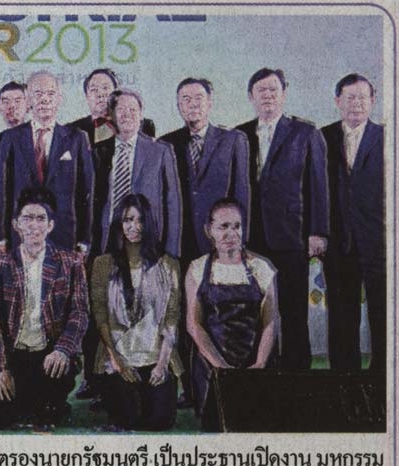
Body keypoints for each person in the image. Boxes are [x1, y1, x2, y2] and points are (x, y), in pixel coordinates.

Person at [160, 77, 250, 409]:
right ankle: (190, 389)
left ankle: (225, 384)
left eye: (198, 98)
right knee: (186, 315)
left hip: (222, 247)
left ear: (210, 102)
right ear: (178, 105)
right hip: (182, 245)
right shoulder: (167, 143)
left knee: (222, 316)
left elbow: (242, 194)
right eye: (185, 99)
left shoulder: (233, 140)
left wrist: (237, 243)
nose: (192, 104)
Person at [236, 68, 328, 370]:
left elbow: (318, 185)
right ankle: (262, 376)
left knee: (292, 310)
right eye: (261, 90)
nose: (267, 95)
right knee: (256, 311)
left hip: (291, 236)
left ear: (284, 94)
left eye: (273, 90)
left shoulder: (305, 133)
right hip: (251, 238)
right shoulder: (239, 135)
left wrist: (317, 231)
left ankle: (297, 379)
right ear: (251, 96)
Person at [0, 189, 89, 429]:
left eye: (41, 219)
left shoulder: (70, 262)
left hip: (49, 354)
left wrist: (62, 350)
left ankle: (50, 401)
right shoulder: (1, 264)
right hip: (15, 354)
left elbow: (80, 313)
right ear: (16, 225)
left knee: (47, 416)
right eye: (27, 218)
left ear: (50, 226)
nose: (33, 225)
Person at [90, 194, 182, 430]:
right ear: (119, 224)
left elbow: (172, 318)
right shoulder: (102, 264)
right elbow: (100, 317)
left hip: (156, 357)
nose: (135, 227)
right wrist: (118, 362)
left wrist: (162, 364)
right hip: (119, 358)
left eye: (141, 220)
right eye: (128, 220)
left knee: (159, 421)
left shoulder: (168, 265)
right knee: (127, 419)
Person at [185, 198, 279, 428]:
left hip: (253, 363)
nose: (231, 234)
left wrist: (259, 364)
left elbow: (270, 322)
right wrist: (221, 368)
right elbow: (194, 325)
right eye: (223, 227)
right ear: (209, 231)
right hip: (212, 367)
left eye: (236, 226)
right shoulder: (197, 268)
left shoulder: (262, 267)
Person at [321, 74, 385, 372]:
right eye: (350, 97)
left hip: (379, 242)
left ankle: (382, 380)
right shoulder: (322, 137)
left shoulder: (387, 138)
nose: (356, 103)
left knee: (383, 313)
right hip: (338, 242)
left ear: (373, 101)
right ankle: (343, 381)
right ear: (338, 101)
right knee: (341, 315)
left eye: (362, 97)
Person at [0, 70, 94, 254]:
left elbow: (86, 192)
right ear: (28, 100)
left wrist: (85, 238)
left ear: (59, 99)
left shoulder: (77, 139)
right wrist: (0, 236)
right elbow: (1, 192)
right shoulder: (10, 138)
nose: (44, 100)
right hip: (21, 234)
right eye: (38, 94)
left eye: (50, 94)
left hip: (64, 234)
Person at [92, 89, 182, 257]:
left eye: (133, 109)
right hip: (107, 239)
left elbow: (172, 203)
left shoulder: (160, 150)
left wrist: (171, 252)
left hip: (148, 239)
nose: (127, 114)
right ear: (111, 115)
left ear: (141, 115)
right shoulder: (98, 151)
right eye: (121, 109)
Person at [68, 68, 155, 147]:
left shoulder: (143, 126)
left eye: (105, 88)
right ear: (87, 97)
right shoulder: (72, 130)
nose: (100, 94)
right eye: (94, 90)